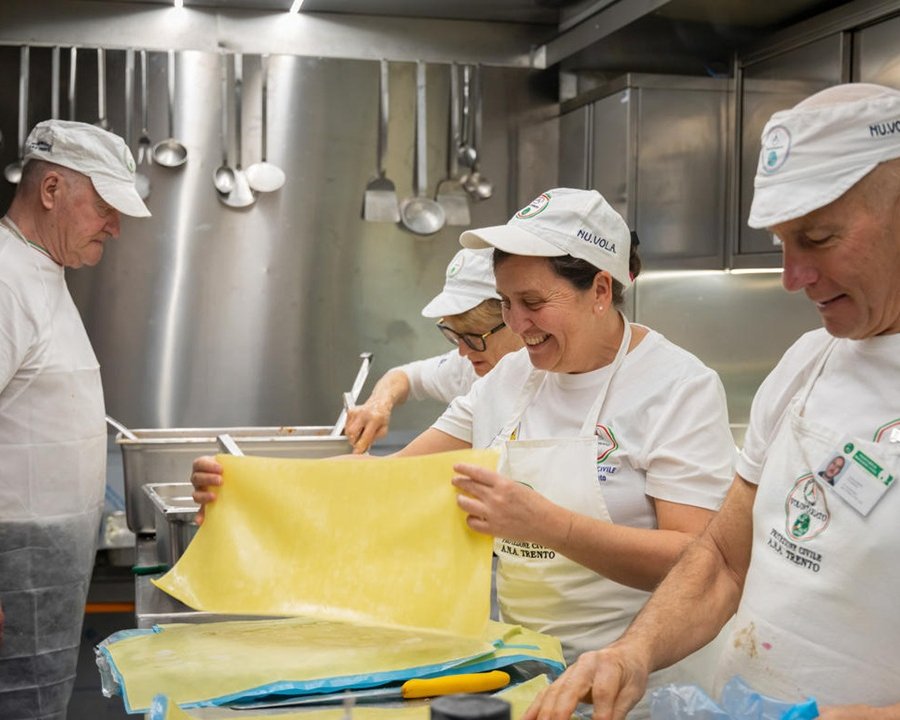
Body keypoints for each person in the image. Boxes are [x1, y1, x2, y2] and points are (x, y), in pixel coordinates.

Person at [192, 187, 737, 718]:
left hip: (638, 689)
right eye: (505, 302)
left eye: (533, 302)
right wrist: (249, 485)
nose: (518, 325)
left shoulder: (677, 388)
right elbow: (386, 480)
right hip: (524, 672)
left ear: (600, 289)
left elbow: (697, 561)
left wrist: (547, 525)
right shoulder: (511, 376)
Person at [524, 83, 900, 720]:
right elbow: (725, 558)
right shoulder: (808, 362)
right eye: (783, 242)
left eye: (818, 236)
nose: (791, 277)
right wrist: (633, 652)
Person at [0, 119, 150, 719]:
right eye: (105, 206)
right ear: (52, 189)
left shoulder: (39, 272)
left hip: (39, 568)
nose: (115, 226)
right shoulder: (6, 281)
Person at [344, 248, 523, 453]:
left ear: (513, 320)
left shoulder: (544, 381)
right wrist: (379, 404)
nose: (463, 352)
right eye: (455, 336)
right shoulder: (467, 368)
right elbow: (407, 377)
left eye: (473, 337)